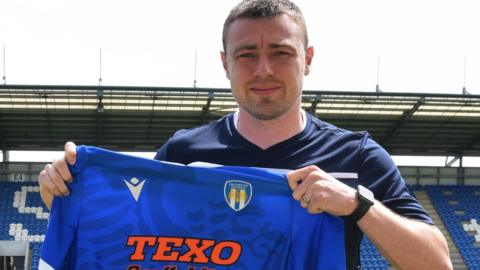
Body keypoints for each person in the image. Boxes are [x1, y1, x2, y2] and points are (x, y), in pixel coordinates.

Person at [39, 0, 452, 269]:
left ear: (307, 59)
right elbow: (127, 238)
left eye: (281, 52)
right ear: (225, 63)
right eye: (247, 55)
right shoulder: (184, 150)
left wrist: (358, 205)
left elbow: (437, 264)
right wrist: (63, 187)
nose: (264, 70)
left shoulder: (357, 155)